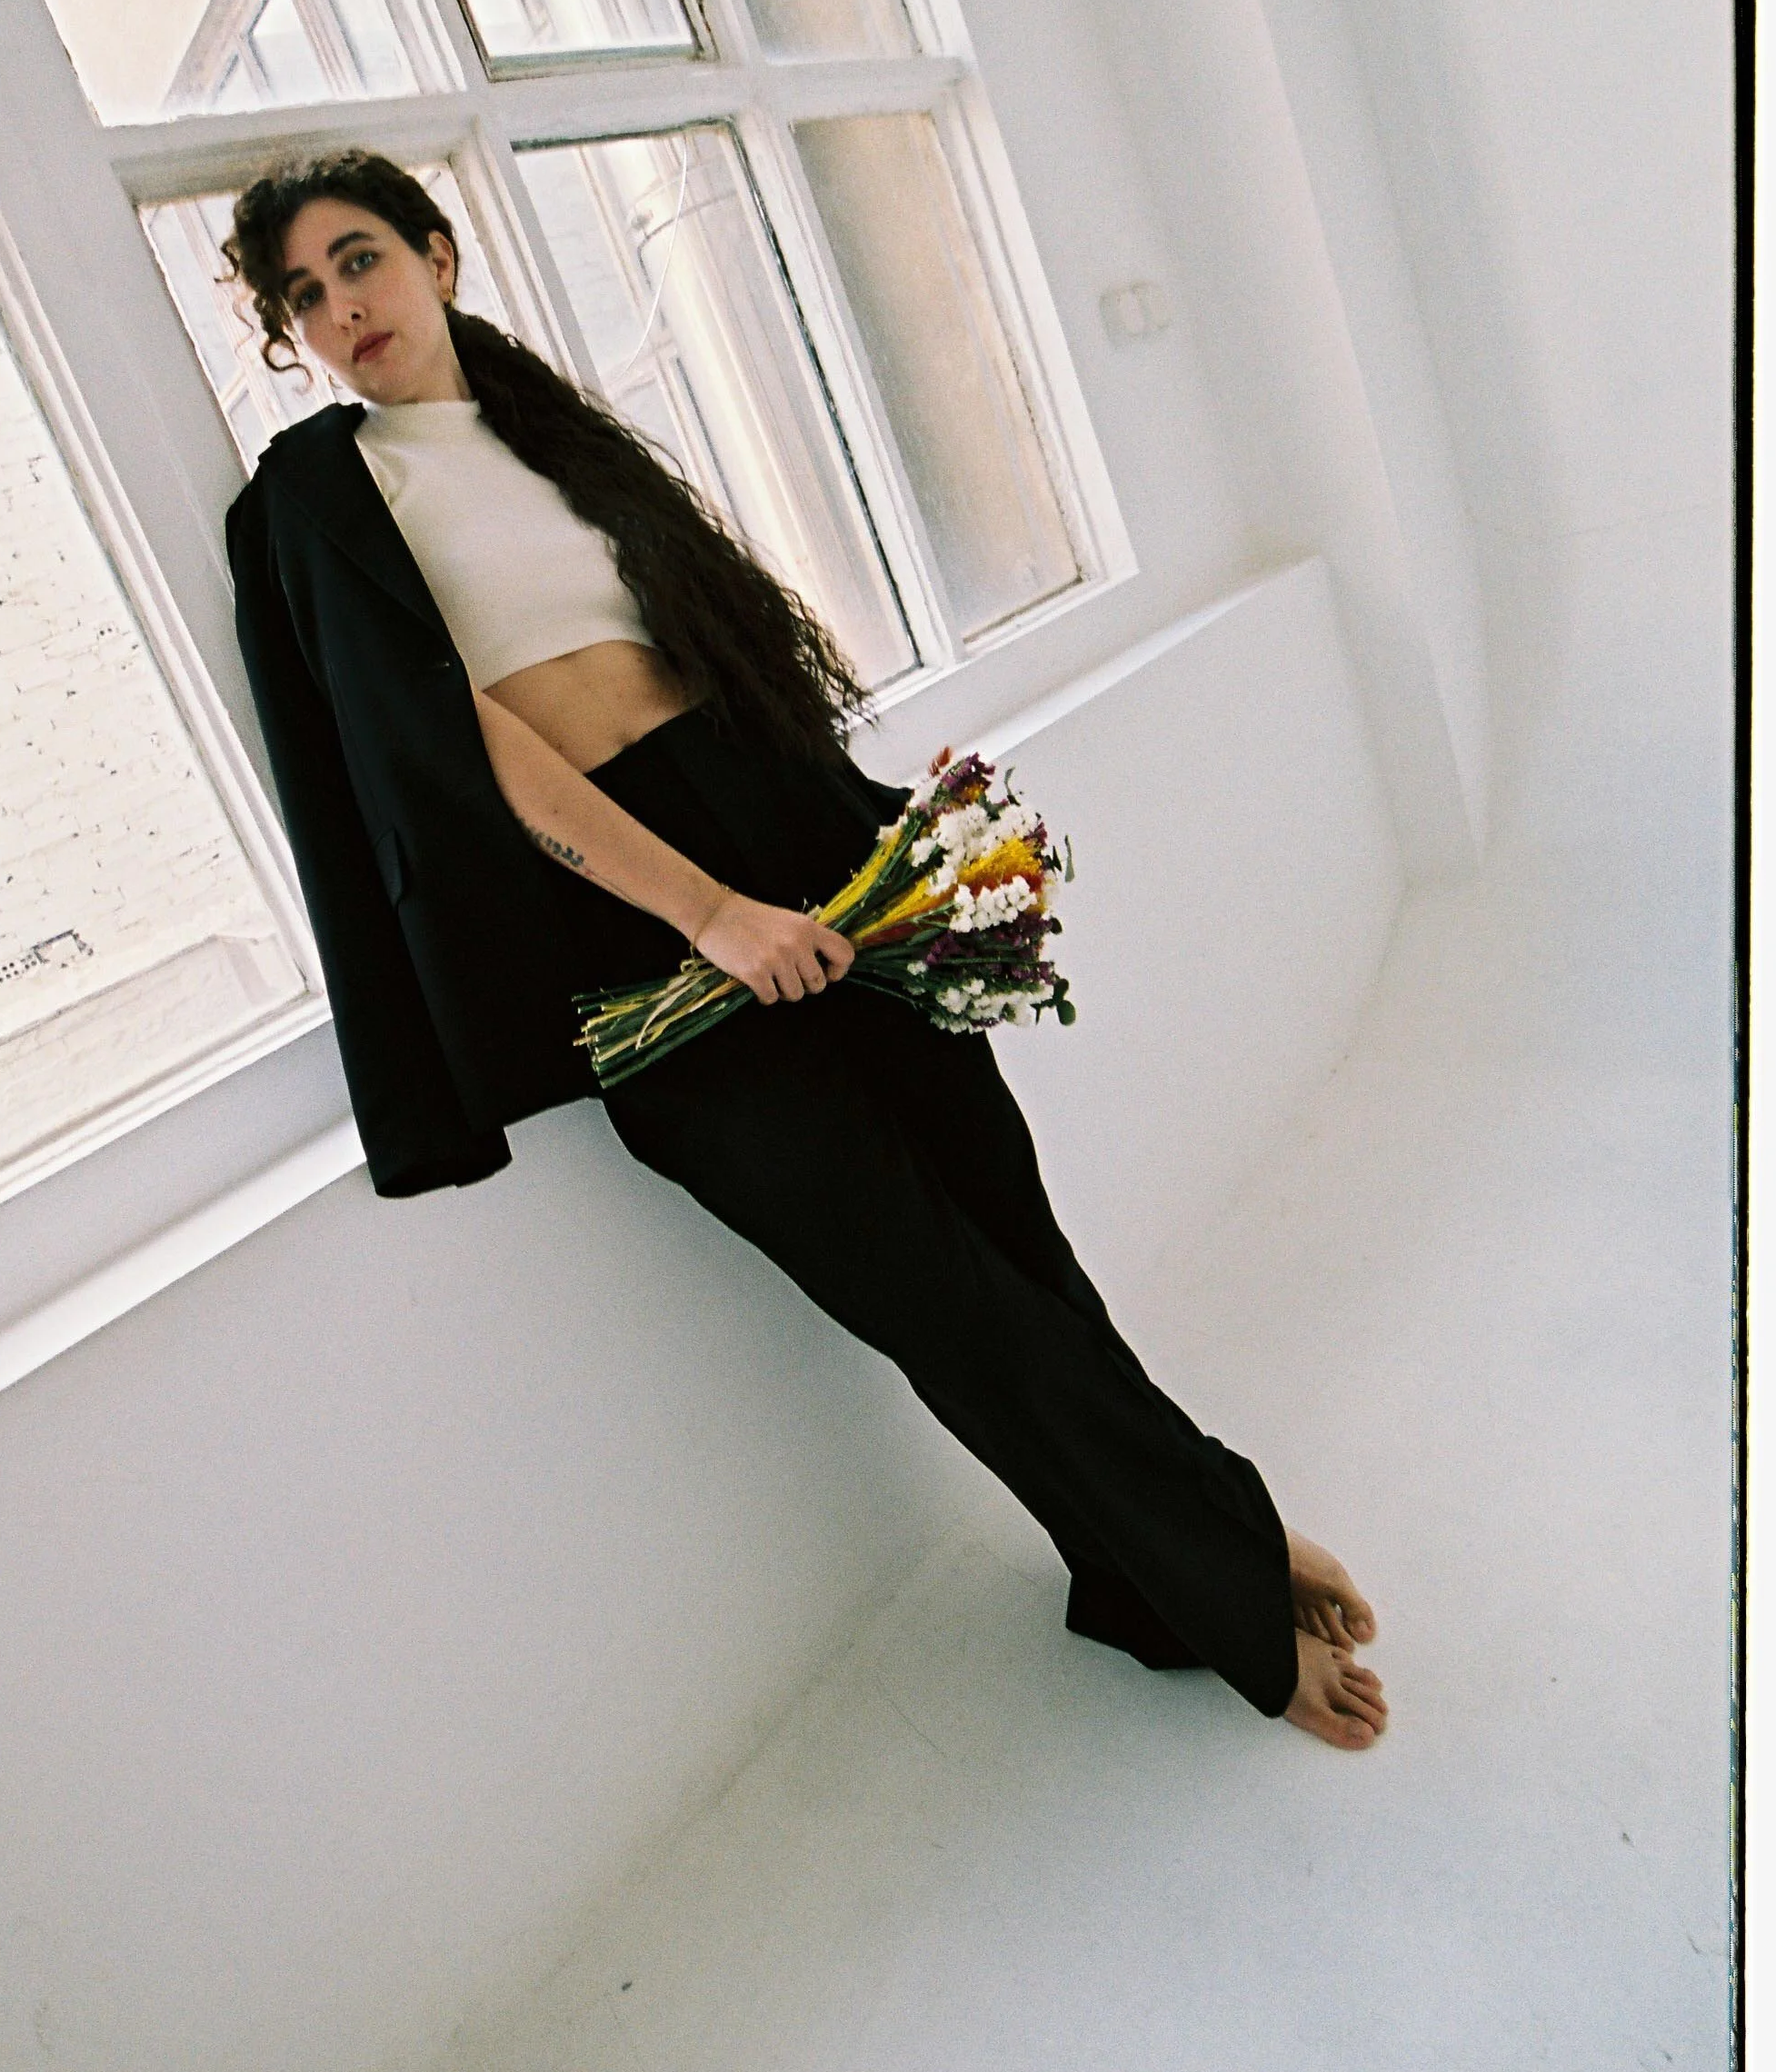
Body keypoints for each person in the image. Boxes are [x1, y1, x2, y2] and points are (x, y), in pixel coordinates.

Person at [221, 151, 1388, 1751]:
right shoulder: (315, 498)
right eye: (302, 292)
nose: (341, 305)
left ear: (438, 254)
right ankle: (1232, 1557)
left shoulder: (549, 434)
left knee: (1006, 1227)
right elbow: (455, 754)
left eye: (361, 260)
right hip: (623, 918)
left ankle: (1142, 1579)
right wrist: (704, 913)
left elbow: (710, 648)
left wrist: (871, 852)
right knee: (923, 1282)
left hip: (792, 831)